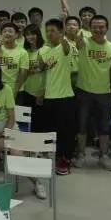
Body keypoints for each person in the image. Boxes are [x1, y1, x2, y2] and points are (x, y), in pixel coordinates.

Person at [74, 15, 111, 171]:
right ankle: (81, 155)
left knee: (104, 127)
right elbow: (77, 42)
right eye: (95, 27)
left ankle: (104, 156)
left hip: (104, 93)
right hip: (84, 91)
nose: (98, 30)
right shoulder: (83, 43)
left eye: (101, 27)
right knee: (81, 126)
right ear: (90, 28)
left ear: (107, 28)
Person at [39, 19, 76, 175]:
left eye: (53, 31)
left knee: (65, 132)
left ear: (61, 32)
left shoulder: (66, 47)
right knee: (51, 130)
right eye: (47, 31)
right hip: (49, 97)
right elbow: (43, 71)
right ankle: (55, 158)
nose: (49, 34)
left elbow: (65, 46)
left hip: (64, 97)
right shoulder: (45, 52)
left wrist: (64, 20)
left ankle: (66, 160)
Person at [18, 24, 46, 132]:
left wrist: (42, 93)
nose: (30, 37)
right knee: (26, 123)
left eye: (33, 34)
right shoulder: (24, 52)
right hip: (26, 92)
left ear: (38, 34)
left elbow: (48, 73)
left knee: (39, 123)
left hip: (40, 92)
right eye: (28, 34)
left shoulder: (44, 50)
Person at [0, 22, 28, 96]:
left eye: (10, 31)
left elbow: (23, 74)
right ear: (1, 35)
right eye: (4, 31)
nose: (7, 33)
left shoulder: (23, 52)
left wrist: (15, 91)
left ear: (16, 35)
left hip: (17, 90)